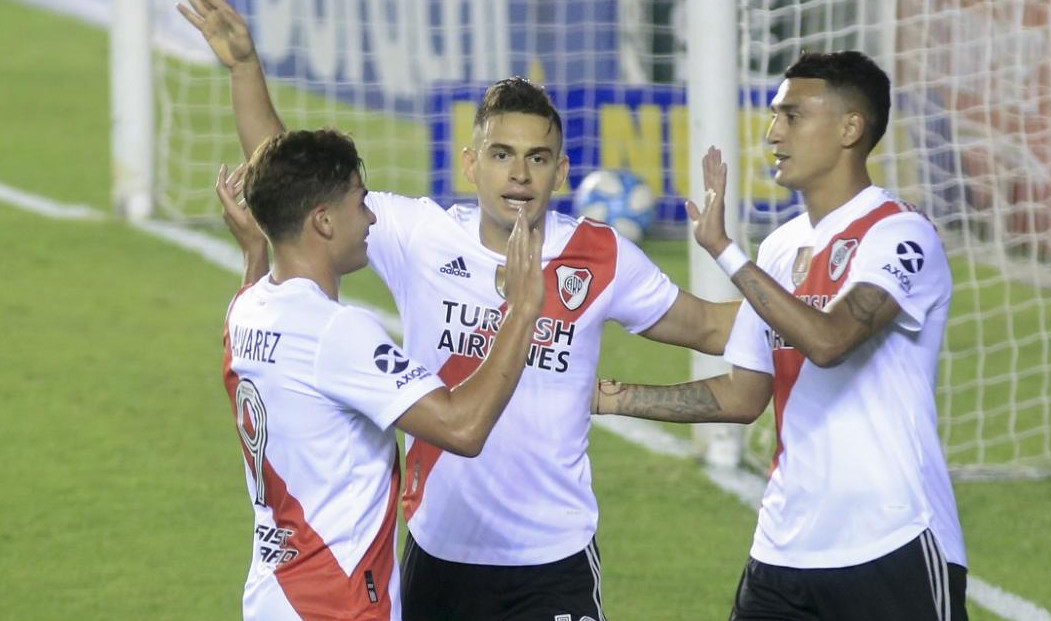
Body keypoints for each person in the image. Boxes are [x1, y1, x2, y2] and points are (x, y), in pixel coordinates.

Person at [180, 1, 738, 619]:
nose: (520, 174)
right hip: (438, 550)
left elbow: (712, 327)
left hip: (553, 558)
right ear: (471, 166)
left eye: (538, 158)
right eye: (501, 154)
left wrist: (819, 310)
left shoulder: (600, 256)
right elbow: (298, 189)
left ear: (562, 172)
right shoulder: (421, 235)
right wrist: (245, 69)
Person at [594, 51, 969, 620]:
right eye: (775, 117)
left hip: (893, 540)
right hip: (784, 549)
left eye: (792, 116)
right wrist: (610, 398)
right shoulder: (780, 248)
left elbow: (828, 340)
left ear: (850, 128)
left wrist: (724, 250)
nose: (772, 134)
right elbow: (743, 395)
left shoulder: (900, 235)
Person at [217, 128, 544, 620]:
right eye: (360, 201)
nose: (370, 218)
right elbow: (462, 426)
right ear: (323, 221)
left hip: (272, 595)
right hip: (335, 604)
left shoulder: (246, 309)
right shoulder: (338, 332)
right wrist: (520, 311)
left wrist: (255, 250)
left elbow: (258, 292)